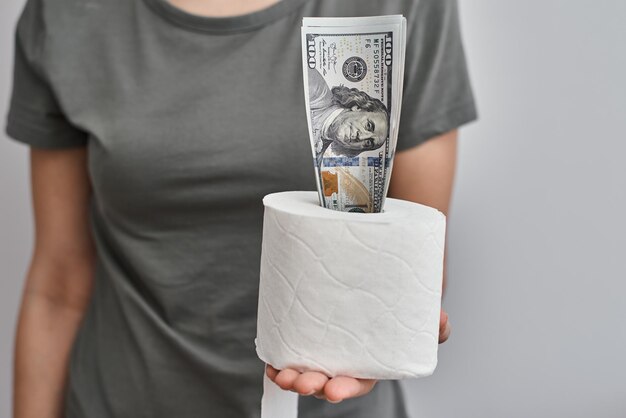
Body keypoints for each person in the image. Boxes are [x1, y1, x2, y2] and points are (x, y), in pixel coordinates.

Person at [6, 0, 477, 417]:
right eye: (365, 127)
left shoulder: (409, 4)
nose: (363, 137)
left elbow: (414, 251)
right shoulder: (66, 14)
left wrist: (390, 329)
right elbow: (58, 285)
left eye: (370, 137)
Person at [307, 68, 389, 165]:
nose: (361, 137)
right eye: (368, 126)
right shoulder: (316, 90)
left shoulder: (317, 160)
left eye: (368, 143)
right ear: (357, 107)